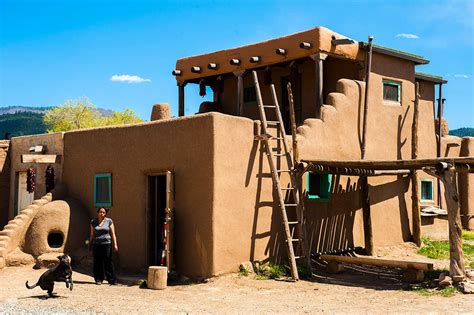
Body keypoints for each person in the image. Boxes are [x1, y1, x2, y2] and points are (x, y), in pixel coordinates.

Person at [89, 207, 118, 285]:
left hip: (106, 244)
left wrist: (115, 244)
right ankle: (98, 279)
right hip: (96, 244)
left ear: (105, 213)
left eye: (104, 212)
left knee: (108, 262)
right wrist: (89, 244)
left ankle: (111, 279)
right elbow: (91, 234)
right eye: (100, 212)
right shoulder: (93, 222)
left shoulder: (109, 221)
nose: (102, 214)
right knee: (97, 262)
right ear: (98, 213)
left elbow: (113, 234)